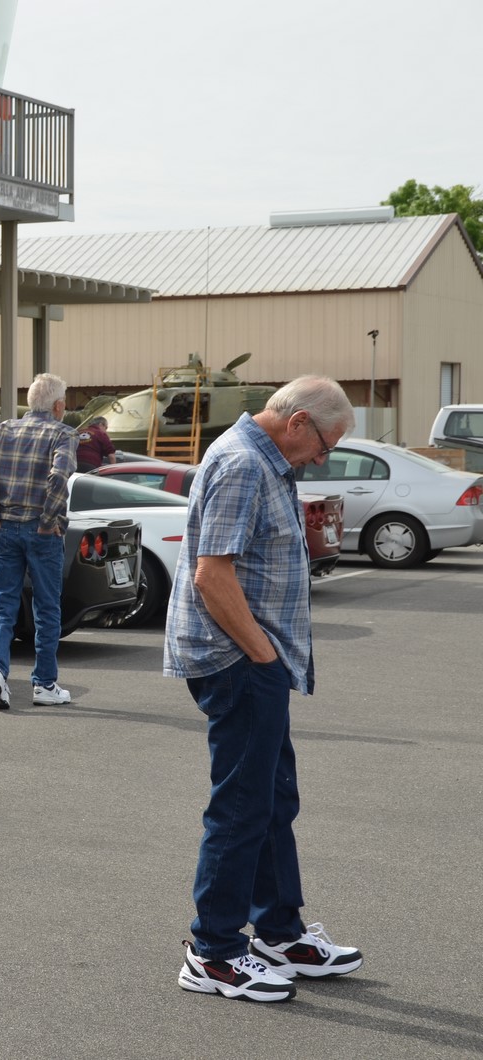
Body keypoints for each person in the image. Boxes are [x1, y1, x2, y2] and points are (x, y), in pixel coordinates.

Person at [165, 376, 363, 1003]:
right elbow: (212, 575)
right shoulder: (244, 464)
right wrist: (262, 655)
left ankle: (278, 931)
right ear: (299, 421)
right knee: (243, 806)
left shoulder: (265, 462)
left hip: (255, 660)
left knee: (273, 799)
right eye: (326, 443)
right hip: (239, 660)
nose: (323, 457)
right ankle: (214, 951)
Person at [0, 374, 76, 710]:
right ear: (58, 406)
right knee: (46, 606)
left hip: (5, 528)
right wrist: (47, 521)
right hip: (42, 532)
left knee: (3, 604)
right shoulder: (63, 433)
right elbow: (59, 478)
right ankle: (44, 683)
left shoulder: (3, 430)